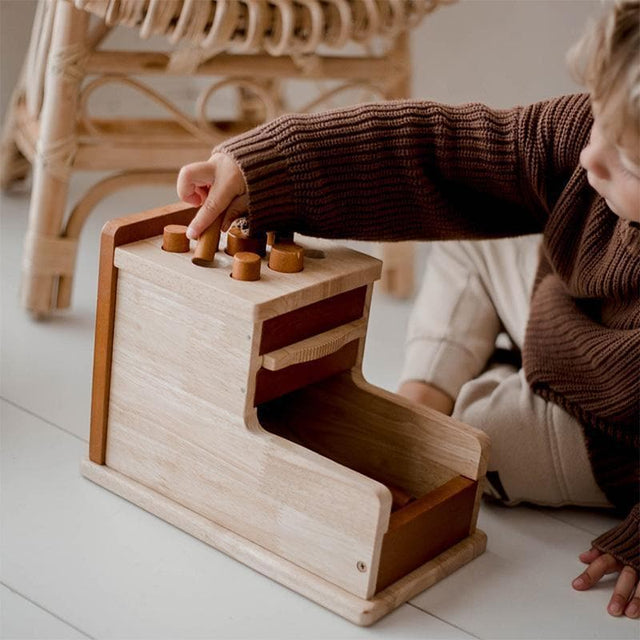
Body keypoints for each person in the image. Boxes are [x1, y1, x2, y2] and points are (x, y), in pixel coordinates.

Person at [177, 1, 640, 619]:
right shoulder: (589, 143)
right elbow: (443, 150)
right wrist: (268, 167)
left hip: (617, 426)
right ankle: (424, 393)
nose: (591, 157)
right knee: (468, 252)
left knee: (483, 445)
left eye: (628, 159)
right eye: (597, 116)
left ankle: (473, 395)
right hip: (563, 310)